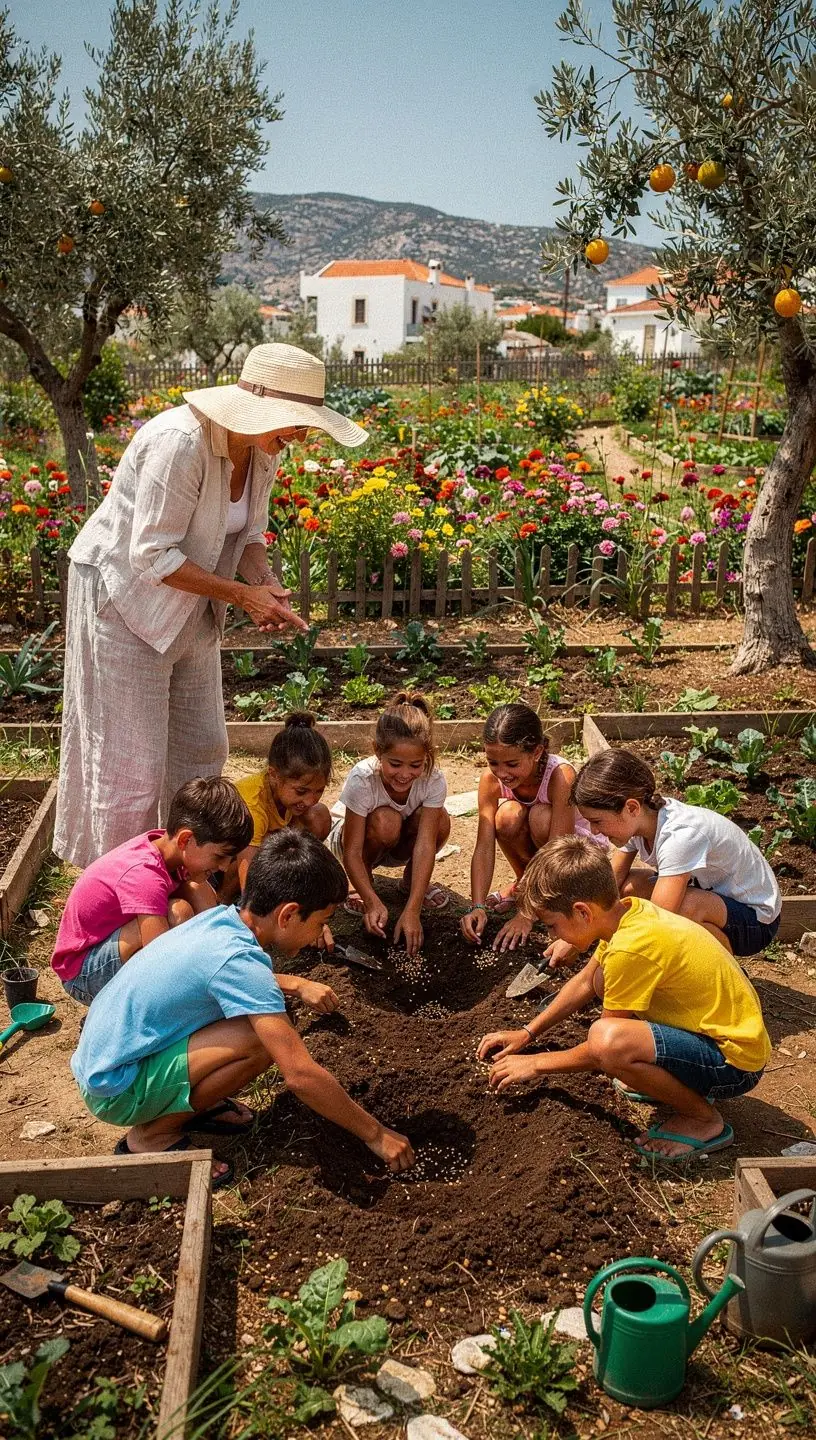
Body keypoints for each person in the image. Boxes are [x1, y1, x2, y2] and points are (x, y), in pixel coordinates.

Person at [55, 343, 367, 870]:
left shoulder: (263, 451)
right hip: (125, 603)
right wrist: (242, 595)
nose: (301, 437)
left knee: (202, 747)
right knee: (131, 767)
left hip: (194, 603)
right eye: (297, 423)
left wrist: (264, 583)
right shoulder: (180, 442)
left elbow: (249, 537)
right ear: (262, 409)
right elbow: (152, 553)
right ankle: (122, 894)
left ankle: (180, 871)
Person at [71, 830, 415, 1188]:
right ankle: (151, 1137)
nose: (320, 932)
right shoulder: (241, 963)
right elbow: (299, 1074)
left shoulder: (221, 920)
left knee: (267, 1017)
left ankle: (194, 1103)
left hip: (106, 1057)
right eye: (320, 922)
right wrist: (375, 1134)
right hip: (114, 1087)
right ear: (288, 914)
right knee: (262, 1039)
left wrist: (295, 985)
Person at [477, 836, 770, 1161]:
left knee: (610, 1042)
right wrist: (528, 1033)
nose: (552, 936)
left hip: (734, 1063)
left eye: (552, 925)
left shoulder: (631, 948)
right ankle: (673, 1082)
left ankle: (703, 1120)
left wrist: (536, 1063)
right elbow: (586, 981)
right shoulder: (628, 914)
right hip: (714, 1035)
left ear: (582, 912)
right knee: (600, 980)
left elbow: (602, 1047)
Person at [559, 749, 781, 964]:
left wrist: (597, 950)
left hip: (756, 919)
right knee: (628, 888)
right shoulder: (640, 821)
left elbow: (657, 920)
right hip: (718, 901)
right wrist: (576, 932)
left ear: (632, 808)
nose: (594, 830)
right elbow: (612, 882)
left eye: (597, 821)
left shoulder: (680, 836)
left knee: (685, 906)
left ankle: (728, 974)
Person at [52, 778, 253, 1006]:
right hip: (83, 973)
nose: (225, 867)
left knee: (200, 895)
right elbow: (158, 960)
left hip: (107, 945)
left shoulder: (167, 846)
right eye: (219, 856)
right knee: (178, 913)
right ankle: (124, 1010)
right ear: (186, 839)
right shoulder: (145, 874)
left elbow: (209, 913)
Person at [461, 703, 606, 953]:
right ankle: (523, 883)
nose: (502, 773)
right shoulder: (490, 780)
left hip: (575, 857)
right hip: (542, 856)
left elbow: (558, 853)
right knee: (507, 816)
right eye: (493, 762)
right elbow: (483, 845)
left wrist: (527, 914)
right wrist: (476, 906)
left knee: (540, 816)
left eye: (512, 764)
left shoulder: (561, 776)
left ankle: (536, 895)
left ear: (537, 752)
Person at [327, 693, 450, 956]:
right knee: (387, 820)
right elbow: (351, 850)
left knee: (440, 820)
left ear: (427, 757)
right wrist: (372, 902)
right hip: (354, 842)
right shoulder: (362, 778)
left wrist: (413, 909)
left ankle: (410, 884)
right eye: (395, 764)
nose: (405, 774)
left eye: (415, 765)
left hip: (400, 841)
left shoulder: (434, 779)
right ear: (377, 751)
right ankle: (363, 883)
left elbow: (426, 844)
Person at [218, 713, 332, 902]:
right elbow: (247, 867)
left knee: (318, 816)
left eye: (318, 791)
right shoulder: (253, 805)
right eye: (302, 791)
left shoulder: (285, 795)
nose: (311, 800)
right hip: (222, 863)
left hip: (257, 848)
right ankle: (223, 901)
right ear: (274, 775)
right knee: (270, 844)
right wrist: (256, 908)